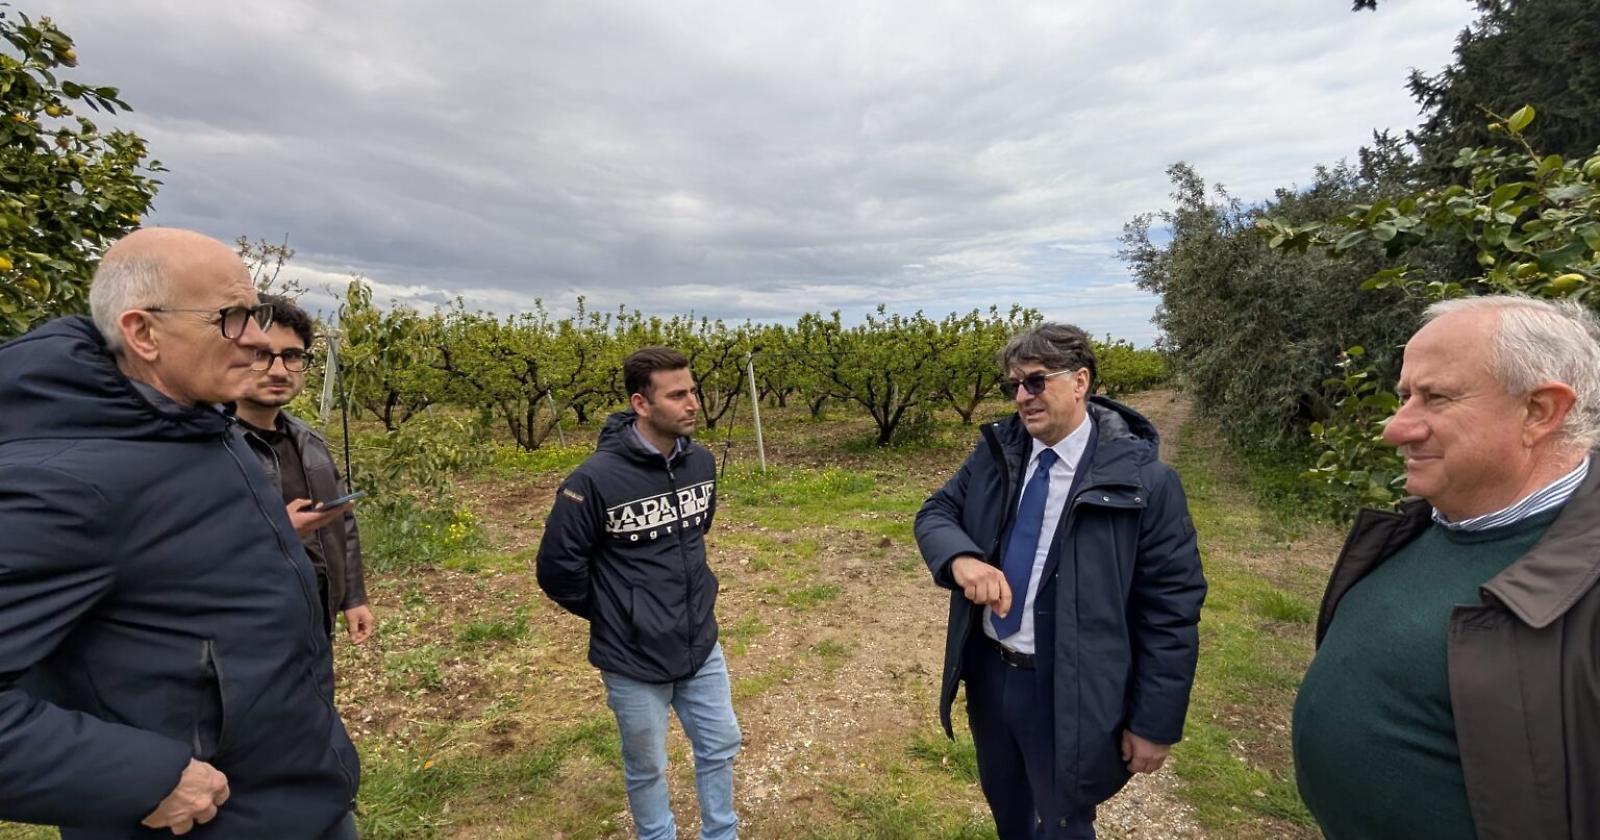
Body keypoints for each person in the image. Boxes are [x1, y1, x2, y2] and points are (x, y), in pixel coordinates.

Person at [0, 228, 361, 839]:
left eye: (255, 314)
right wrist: (139, 777)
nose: (257, 339)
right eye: (230, 318)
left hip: (295, 797)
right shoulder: (65, 482)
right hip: (207, 821)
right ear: (144, 333)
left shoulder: (202, 427)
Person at [1293, 295, 1600, 840]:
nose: (1395, 429)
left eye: (1435, 398)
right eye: (1405, 397)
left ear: (1540, 412)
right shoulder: (1428, 526)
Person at [915, 322, 1206, 840]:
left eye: (1035, 381)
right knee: (1009, 810)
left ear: (1080, 381)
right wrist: (961, 559)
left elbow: (1170, 610)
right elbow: (937, 511)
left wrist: (1154, 722)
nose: (1022, 397)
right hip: (991, 675)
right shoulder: (997, 454)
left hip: (1067, 687)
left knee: (1064, 821)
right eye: (1014, 385)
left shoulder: (1145, 484)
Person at [536, 346, 741, 840]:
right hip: (631, 654)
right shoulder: (593, 481)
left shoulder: (700, 463)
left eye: (693, 391)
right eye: (677, 395)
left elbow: (696, 533)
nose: (693, 403)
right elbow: (558, 569)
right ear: (641, 404)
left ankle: (722, 833)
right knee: (647, 765)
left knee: (720, 745)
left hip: (698, 641)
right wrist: (620, 612)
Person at [236, 294, 375, 645]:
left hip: (314, 623)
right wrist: (277, 531)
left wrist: (352, 596)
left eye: (292, 356)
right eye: (260, 354)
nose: (279, 370)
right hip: (247, 636)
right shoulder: (207, 448)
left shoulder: (307, 440)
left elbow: (340, 522)